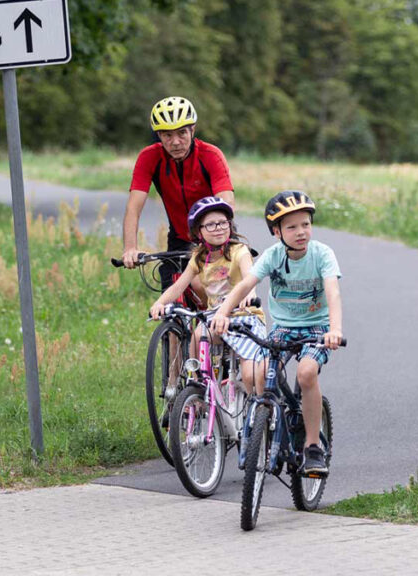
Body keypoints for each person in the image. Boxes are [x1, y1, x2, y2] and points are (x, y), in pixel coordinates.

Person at [213, 190, 343, 477]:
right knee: (258, 375)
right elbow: (246, 284)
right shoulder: (272, 256)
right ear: (276, 232)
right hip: (283, 328)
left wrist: (334, 330)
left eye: (305, 224)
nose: (300, 232)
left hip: (317, 328)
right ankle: (270, 421)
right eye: (292, 227)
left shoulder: (322, 254)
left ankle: (311, 447)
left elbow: (332, 292)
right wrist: (223, 313)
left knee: (306, 373)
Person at [150, 197, 267, 396]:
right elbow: (178, 286)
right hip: (216, 318)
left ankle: (258, 411)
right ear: (198, 231)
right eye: (211, 225)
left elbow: (250, 277)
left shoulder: (239, 251)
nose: (219, 228)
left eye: (223, 223)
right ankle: (198, 387)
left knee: (251, 375)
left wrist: (251, 295)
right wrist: (159, 303)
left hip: (244, 315)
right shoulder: (198, 258)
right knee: (198, 336)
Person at [123, 96, 235, 294]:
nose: (175, 142)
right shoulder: (149, 157)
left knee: (212, 297)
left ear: (193, 130)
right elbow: (133, 208)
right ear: (158, 135)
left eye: (182, 133)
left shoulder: (210, 155)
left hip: (217, 234)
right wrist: (130, 248)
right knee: (169, 300)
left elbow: (226, 202)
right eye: (167, 135)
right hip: (179, 238)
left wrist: (217, 238)